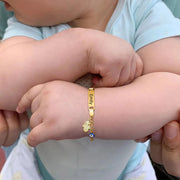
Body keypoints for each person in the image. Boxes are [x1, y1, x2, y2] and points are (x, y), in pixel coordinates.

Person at [0, 0, 180, 179]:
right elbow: (4, 82)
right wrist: (80, 49)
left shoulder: (144, 14)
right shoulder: (31, 24)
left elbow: (173, 89)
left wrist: (89, 111)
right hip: (35, 167)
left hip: (127, 172)